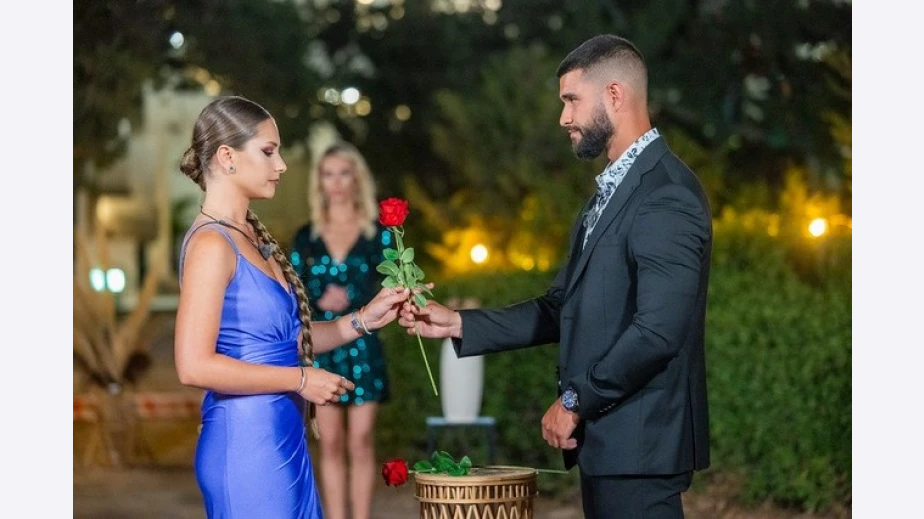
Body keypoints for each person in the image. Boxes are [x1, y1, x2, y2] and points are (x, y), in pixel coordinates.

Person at [399, 34, 713, 518]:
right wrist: (458, 323)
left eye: (572, 100)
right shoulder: (607, 196)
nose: (564, 117)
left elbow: (658, 331)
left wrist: (574, 400)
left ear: (614, 94)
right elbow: (561, 308)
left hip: (641, 447)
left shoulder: (665, 194)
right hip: (610, 447)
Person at [173, 95, 409, 519]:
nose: (281, 165)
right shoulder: (211, 244)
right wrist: (300, 379)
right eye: (268, 151)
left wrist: (361, 320)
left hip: (283, 441)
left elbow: (288, 342)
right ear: (227, 157)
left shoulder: (248, 235)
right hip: (246, 446)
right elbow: (193, 366)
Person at [289, 141, 391, 519]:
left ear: (356, 178)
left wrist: (355, 298)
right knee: (329, 442)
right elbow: (292, 288)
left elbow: (390, 285)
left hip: (364, 347)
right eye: (328, 174)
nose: (335, 182)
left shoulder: (378, 235)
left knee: (361, 441)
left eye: (343, 173)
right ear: (319, 181)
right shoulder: (306, 236)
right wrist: (319, 299)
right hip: (322, 345)